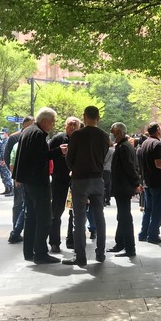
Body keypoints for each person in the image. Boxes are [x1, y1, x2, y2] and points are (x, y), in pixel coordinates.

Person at [13, 107, 64, 264]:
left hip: (28, 181)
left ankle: (29, 252)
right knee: (44, 218)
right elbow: (39, 157)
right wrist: (59, 151)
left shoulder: (28, 131)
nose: (53, 124)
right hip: (37, 182)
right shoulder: (37, 134)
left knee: (31, 217)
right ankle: (41, 253)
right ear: (45, 121)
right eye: (52, 122)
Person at [63, 106, 109, 266]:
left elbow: (69, 159)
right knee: (99, 217)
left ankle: (80, 256)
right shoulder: (104, 136)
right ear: (98, 118)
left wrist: (74, 168)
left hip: (80, 180)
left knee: (79, 219)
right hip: (97, 179)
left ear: (84, 117)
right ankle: (100, 253)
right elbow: (104, 156)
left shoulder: (77, 135)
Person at [108, 122, 143, 257]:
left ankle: (129, 248)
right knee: (122, 216)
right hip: (123, 187)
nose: (113, 135)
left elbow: (129, 168)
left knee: (125, 217)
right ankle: (120, 243)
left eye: (114, 132)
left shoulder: (123, 147)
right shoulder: (125, 146)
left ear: (120, 132)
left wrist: (136, 183)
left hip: (123, 187)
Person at [49, 116, 81, 252]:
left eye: (75, 125)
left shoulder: (81, 139)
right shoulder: (57, 139)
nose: (72, 127)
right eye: (70, 125)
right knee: (56, 211)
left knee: (75, 212)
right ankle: (54, 242)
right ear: (65, 126)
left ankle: (72, 240)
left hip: (76, 180)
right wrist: (59, 151)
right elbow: (48, 155)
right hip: (59, 179)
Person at [5, 116, 35, 244]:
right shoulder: (14, 138)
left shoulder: (36, 135)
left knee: (27, 204)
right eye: (31, 124)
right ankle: (16, 230)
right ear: (24, 125)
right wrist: (15, 175)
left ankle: (21, 230)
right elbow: (7, 157)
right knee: (19, 204)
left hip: (31, 178)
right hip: (18, 177)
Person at [0, 128, 14, 196]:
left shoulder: (8, 141)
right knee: (3, 176)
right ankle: (6, 189)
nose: (1, 135)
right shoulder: (3, 141)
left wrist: (4, 160)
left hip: (5, 161)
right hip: (2, 161)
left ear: (6, 133)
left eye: (3, 133)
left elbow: (7, 152)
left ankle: (10, 189)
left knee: (7, 175)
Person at [103, 137, 114, 206]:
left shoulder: (108, 150)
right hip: (110, 169)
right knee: (108, 185)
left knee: (103, 185)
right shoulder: (114, 150)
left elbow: (104, 160)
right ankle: (108, 199)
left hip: (105, 168)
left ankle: (103, 200)